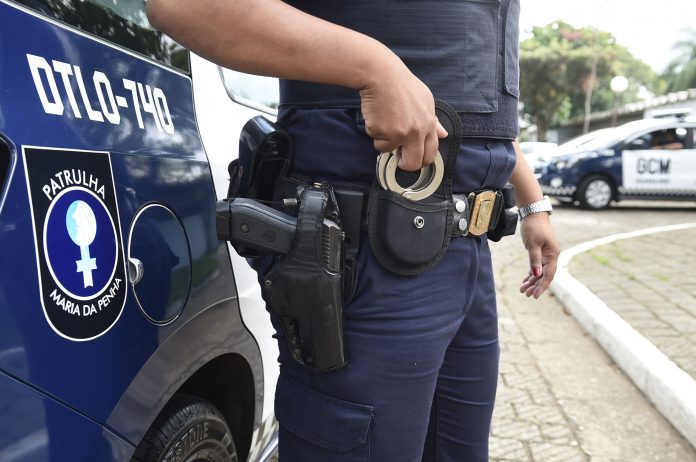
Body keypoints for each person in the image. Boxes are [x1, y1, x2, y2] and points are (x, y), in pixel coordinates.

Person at [147, 1, 560, 460]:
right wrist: (374, 67)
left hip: (467, 256)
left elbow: (473, 97)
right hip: (363, 252)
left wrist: (532, 203)